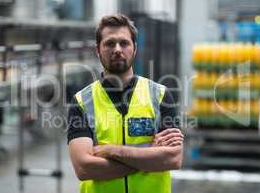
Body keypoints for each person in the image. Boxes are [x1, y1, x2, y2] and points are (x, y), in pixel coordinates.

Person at [67, 14, 184, 193]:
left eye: (124, 43)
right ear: (98, 49)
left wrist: (113, 151)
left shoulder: (160, 96)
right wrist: (150, 157)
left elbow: (173, 160)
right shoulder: (82, 102)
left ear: (134, 48)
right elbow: (84, 168)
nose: (117, 49)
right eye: (109, 43)